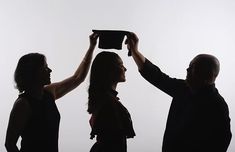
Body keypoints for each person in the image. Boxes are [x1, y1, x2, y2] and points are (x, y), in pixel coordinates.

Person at [125, 33, 232, 152]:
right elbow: (156, 76)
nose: (187, 70)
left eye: (193, 67)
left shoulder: (217, 105)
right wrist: (134, 51)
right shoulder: (184, 88)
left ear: (208, 74)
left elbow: (221, 143)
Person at [5, 33, 98, 152]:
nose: (50, 70)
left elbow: (77, 78)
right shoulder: (22, 104)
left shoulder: (49, 92)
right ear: (33, 72)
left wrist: (91, 47)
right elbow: (10, 144)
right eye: (45, 67)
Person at [87, 51, 136, 152]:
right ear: (109, 70)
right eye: (121, 65)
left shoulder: (104, 100)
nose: (125, 69)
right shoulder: (109, 104)